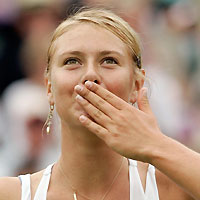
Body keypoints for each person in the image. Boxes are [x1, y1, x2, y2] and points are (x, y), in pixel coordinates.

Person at [0, 7, 199, 200]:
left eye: (109, 60)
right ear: (49, 87)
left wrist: (156, 145)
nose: (90, 75)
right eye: (72, 61)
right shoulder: (10, 194)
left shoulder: (174, 188)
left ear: (136, 86)